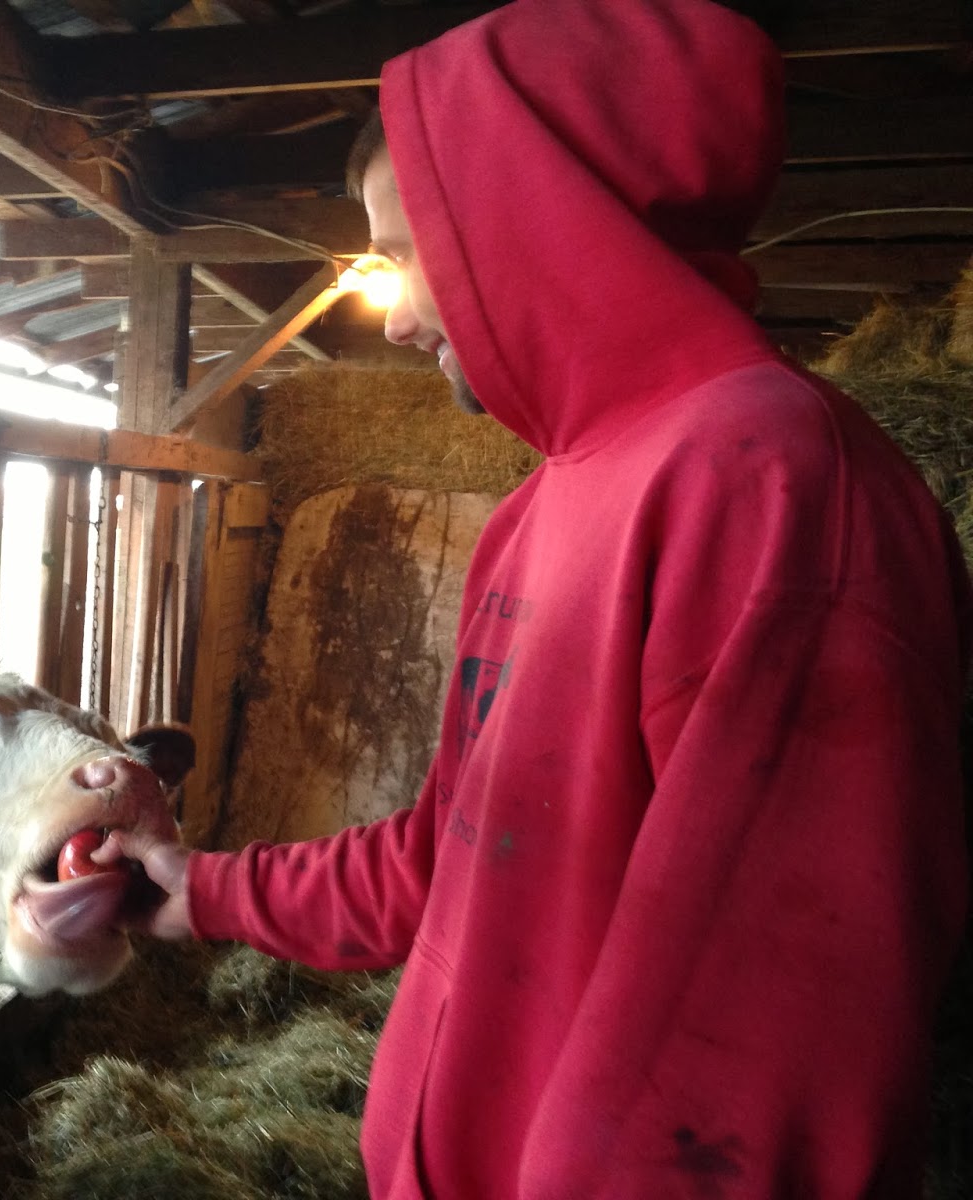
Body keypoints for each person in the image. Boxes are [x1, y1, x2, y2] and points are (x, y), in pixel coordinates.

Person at [98, 0, 973, 1195]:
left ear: (533, 215)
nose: (396, 318)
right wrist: (204, 890)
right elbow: (453, 856)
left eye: (408, 253)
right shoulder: (547, 502)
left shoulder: (775, 490)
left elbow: (763, 1049)